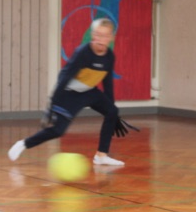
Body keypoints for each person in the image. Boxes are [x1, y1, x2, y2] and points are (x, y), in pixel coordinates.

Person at [8, 18, 127, 166]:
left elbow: (108, 83)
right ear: (92, 35)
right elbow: (64, 76)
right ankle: (24, 144)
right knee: (58, 131)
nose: (101, 39)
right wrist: (52, 104)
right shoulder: (82, 53)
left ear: (111, 38)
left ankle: (101, 156)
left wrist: (112, 113)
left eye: (105, 36)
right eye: (98, 35)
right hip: (70, 93)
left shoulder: (110, 57)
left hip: (89, 91)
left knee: (112, 111)